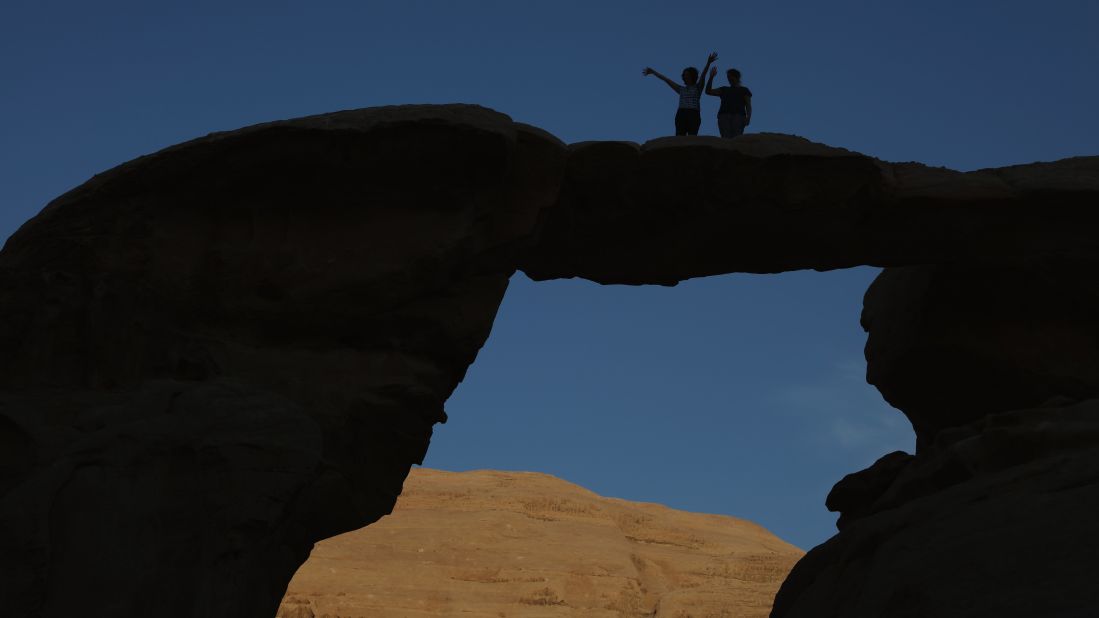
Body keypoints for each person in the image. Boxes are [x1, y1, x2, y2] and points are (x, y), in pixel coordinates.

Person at [642, 52, 718, 136]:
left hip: (693, 113)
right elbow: (666, 79)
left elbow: (703, 75)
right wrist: (653, 72)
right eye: (684, 75)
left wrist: (708, 63)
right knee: (679, 136)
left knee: (692, 136)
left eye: (687, 75)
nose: (685, 76)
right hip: (681, 113)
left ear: (692, 76)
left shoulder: (698, 87)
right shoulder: (681, 89)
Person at [706, 67, 752, 138]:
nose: (729, 79)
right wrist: (711, 77)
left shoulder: (744, 90)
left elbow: (748, 105)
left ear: (736, 77)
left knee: (737, 138)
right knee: (725, 137)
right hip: (724, 115)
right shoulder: (724, 89)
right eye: (728, 77)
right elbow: (708, 91)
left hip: (739, 116)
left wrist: (748, 117)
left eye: (730, 76)